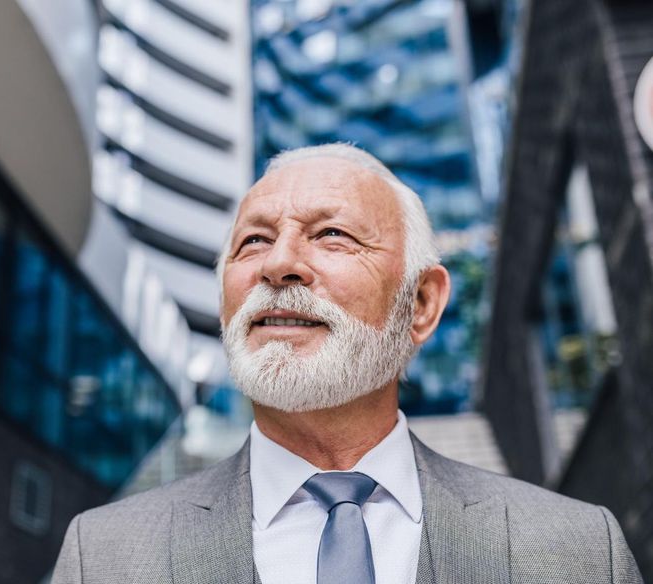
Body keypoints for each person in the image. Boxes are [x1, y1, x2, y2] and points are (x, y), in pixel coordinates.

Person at [52, 144, 642, 584]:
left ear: (421, 303)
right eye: (252, 241)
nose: (278, 264)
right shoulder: (102, 557)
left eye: (331, 235)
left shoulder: (580, 551)